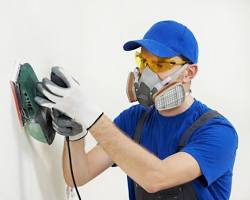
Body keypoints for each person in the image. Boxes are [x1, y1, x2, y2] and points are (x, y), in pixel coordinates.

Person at [35, 20, 238, 200]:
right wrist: (76, 134)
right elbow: (78, 175)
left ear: (189, 73)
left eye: (159, 64)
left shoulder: (217, 132)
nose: (146, 74)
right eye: (144, 62)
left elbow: (156, 177)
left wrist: (91, 115)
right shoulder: (134, 120)